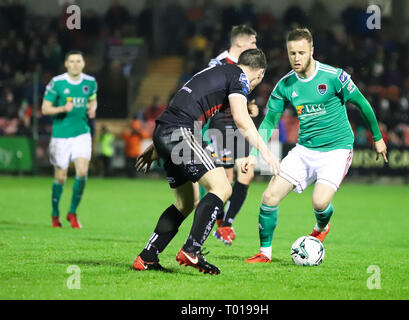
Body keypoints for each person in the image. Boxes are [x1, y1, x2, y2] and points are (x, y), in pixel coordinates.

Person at [243, 28, 388, 263]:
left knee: (320, 202)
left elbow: (362, 104)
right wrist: (252, 153)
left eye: (301, 52)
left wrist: (377, 138)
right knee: (269, 197)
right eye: (292, 53)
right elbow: (269, 121)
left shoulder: (333, 76)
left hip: (337, 149)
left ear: (312, 51)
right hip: (304, 150)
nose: (296, 58)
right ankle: (264, 253)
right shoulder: (285, 85)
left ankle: (322, 226)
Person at [133, 49, 280, 275]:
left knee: (186, 202)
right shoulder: (239, 77)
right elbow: (241, 119)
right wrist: (266, 152)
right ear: (259, 73)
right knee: (221, 187)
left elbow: (185, 104)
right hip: (180, 132)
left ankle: (147, 257)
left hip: (166, 130)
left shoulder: (217, 72)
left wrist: (159, 143)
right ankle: (192, 249)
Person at [206, 25, 260, 246]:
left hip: (238, 125)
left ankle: (227, 223)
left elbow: (241, 95)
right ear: (240, 42)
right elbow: (209, 93)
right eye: (253, 42)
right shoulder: (218, 64)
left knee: (246, 174)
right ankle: (218, 221)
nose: (255, 46)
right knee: (226, 180)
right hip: (221, 124)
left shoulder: (247, 66)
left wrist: (250, 106)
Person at [41, 50, 98, 229]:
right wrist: (62, 109)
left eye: (78, 61)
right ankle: (55, 213)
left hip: (82, 133)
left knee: (82, 172)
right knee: (61, 177)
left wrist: (92, 108)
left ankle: (72, 212)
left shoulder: (90, 82)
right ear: (66, 64)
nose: (75, 64)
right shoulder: (56, 83)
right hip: (60, 136)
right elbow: (45, 108)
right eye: (71, 61)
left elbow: (92, 100)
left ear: (83, 63)